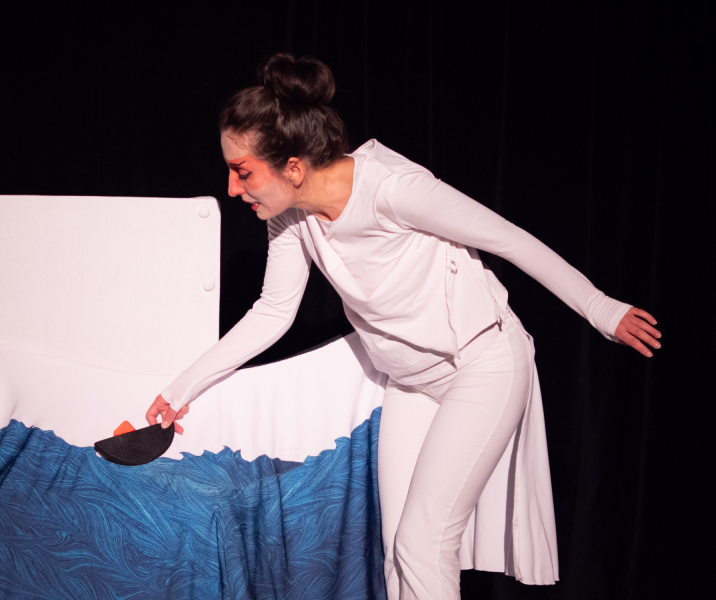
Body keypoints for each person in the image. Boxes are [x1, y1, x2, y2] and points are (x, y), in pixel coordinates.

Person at [146, 53, 660, 599]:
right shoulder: (290, 217)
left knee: (423, 542)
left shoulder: (391, 188)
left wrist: (601, 308)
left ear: (293, 167)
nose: (231, 188)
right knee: (399, 549)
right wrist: (179, 392)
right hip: (412, 384)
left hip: (481, 366)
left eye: (243, 170)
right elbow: (273, 312)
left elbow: (505, 237)